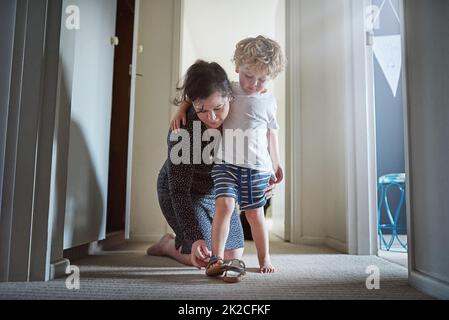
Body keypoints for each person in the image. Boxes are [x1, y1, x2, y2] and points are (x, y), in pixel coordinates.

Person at [170, 36, 285, 274]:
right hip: (215, 174)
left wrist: (275, 164)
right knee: (220, 217)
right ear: (237, 68)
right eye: (248, 76)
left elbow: (271, 134)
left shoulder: (264, 100)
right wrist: (183, 107)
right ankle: (203, 255)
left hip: (253, 169)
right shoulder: (226, 93)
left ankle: (265, 260)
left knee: (252, 220)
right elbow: (197, 93)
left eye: (261, 79)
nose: (253, 84)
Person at [147, 60, 247, 269]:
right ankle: (168, 245)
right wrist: (194, 238)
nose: (211, 118)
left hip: (217, 193)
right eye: (201, 110)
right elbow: (179, 190)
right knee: (206, 255)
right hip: (183, 192)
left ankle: (182, 241)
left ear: (230, 96)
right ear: (192, 103)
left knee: (232, 254)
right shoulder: (183, 130)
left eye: (218, 108)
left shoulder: (240, 113)